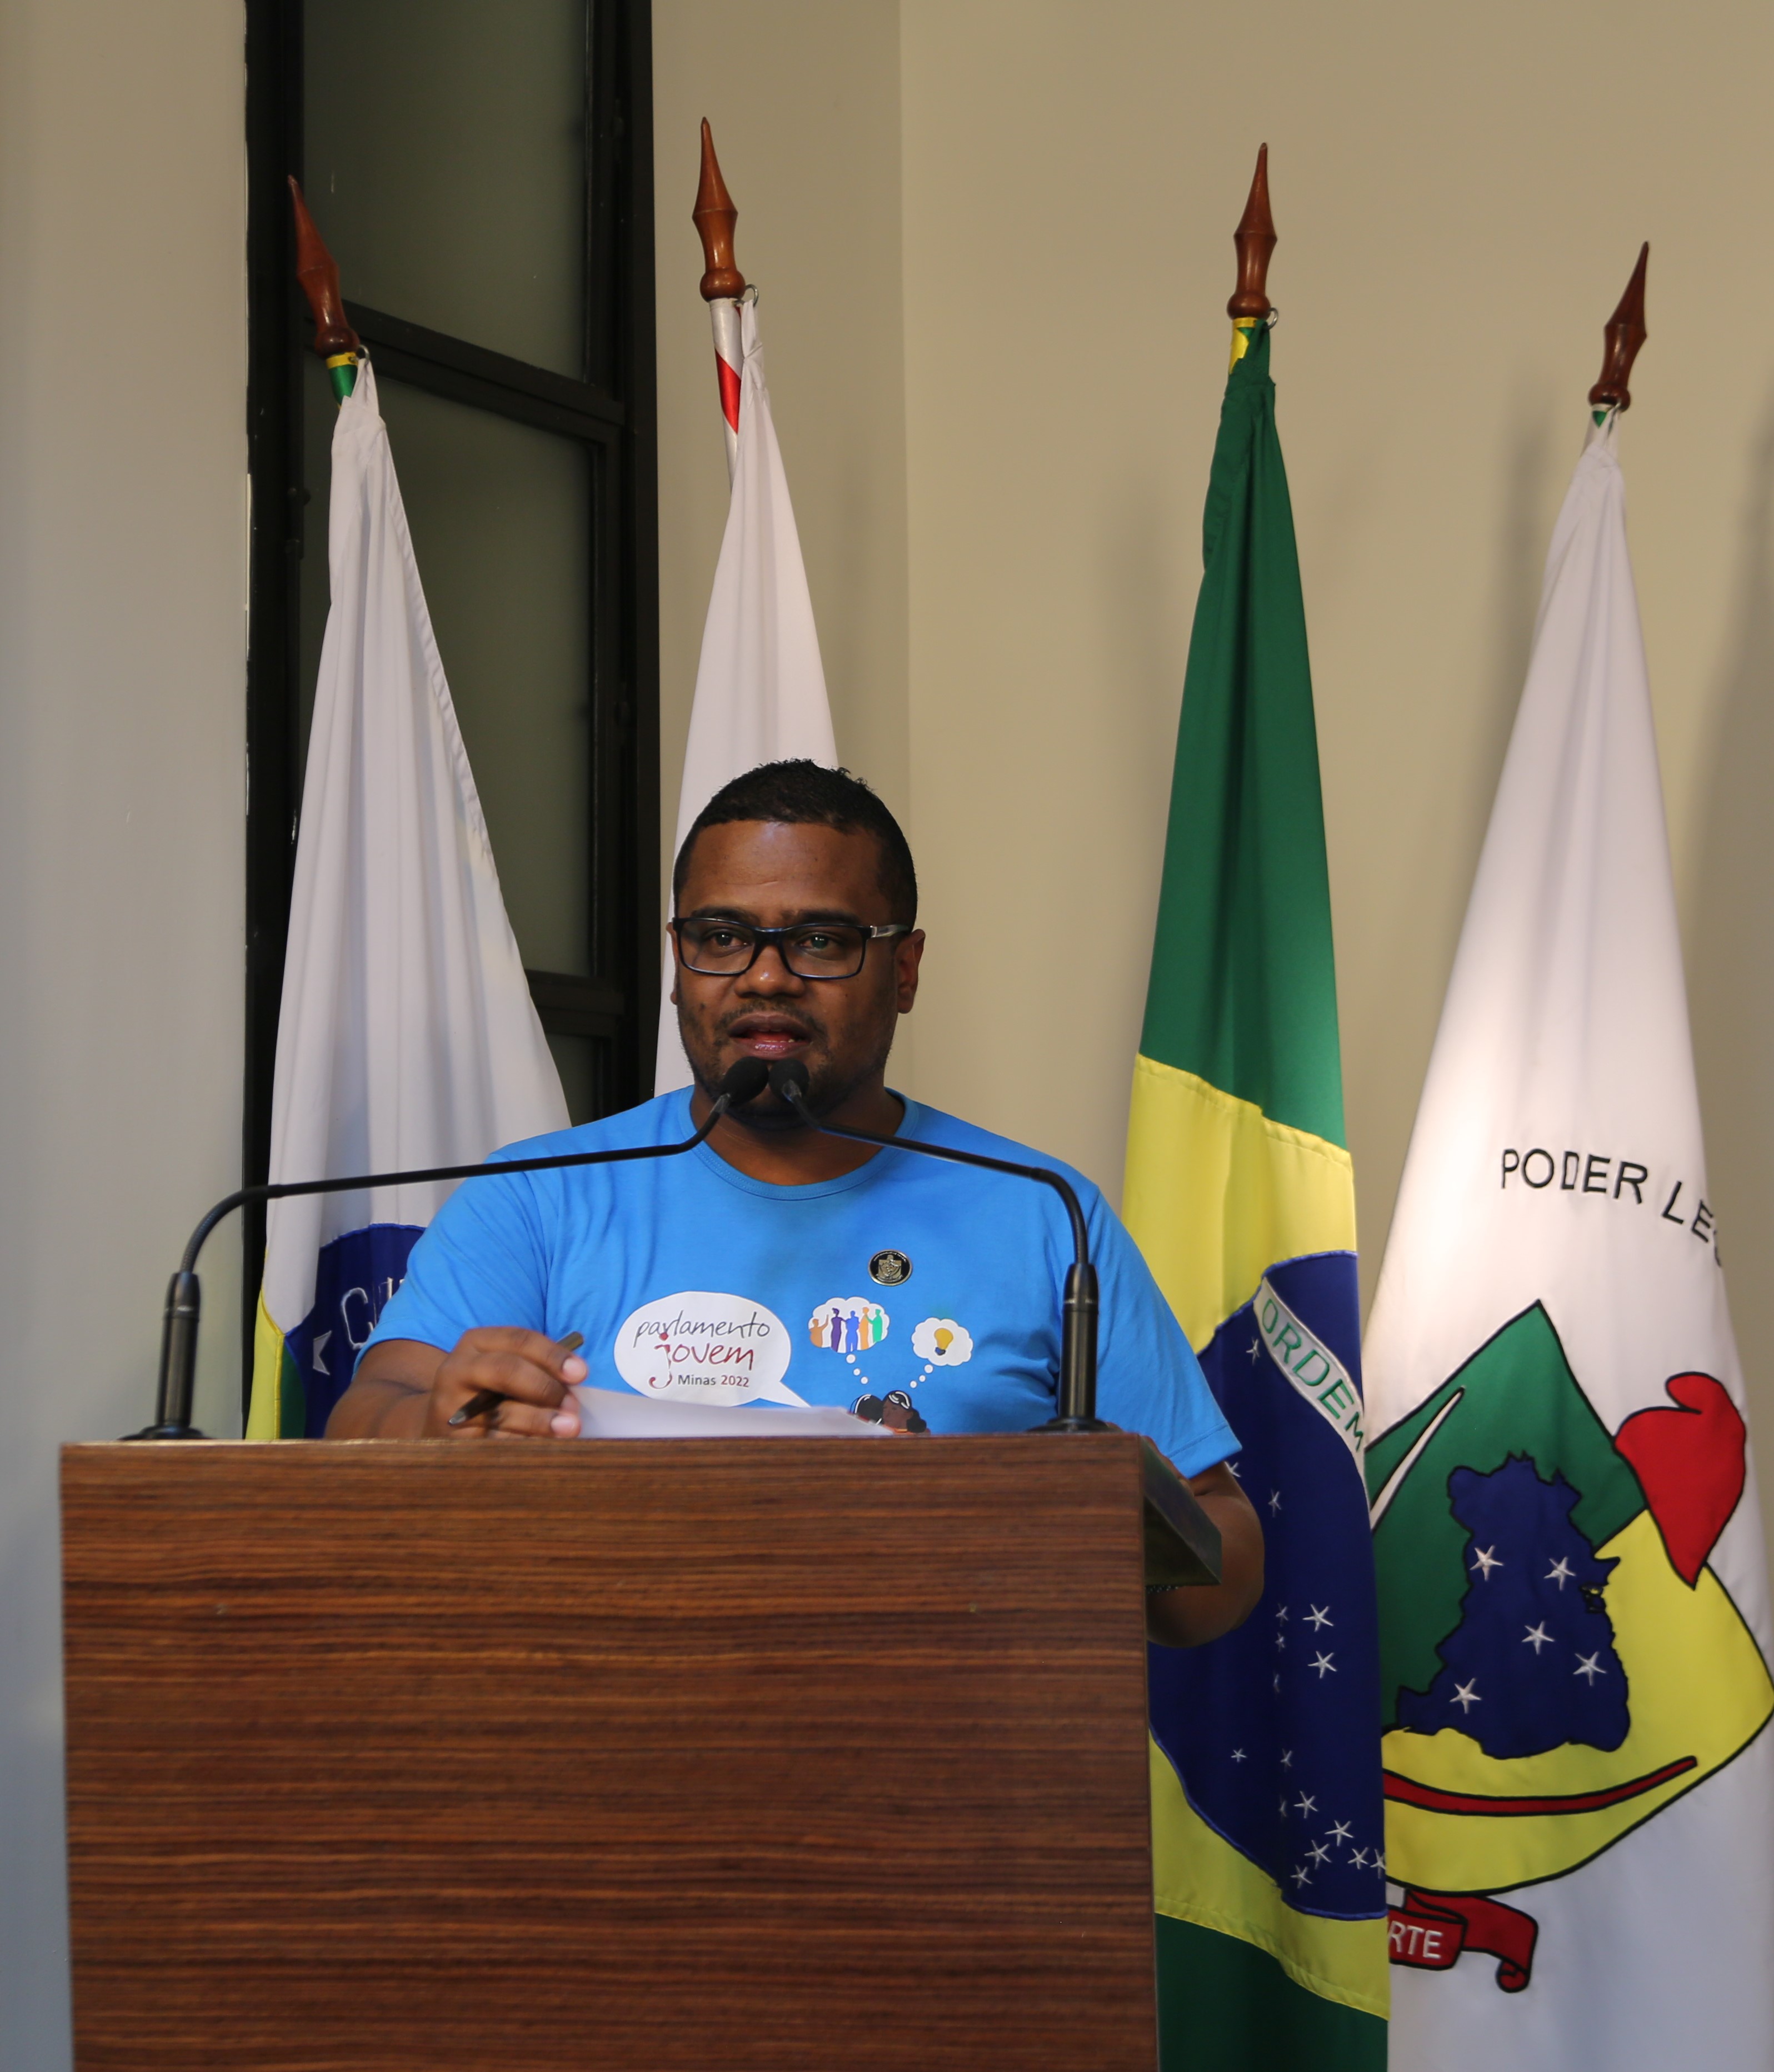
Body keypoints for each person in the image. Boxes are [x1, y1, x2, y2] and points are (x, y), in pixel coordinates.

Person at [329, 761, 1262, 1646]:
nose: (765, 976)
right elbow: (364, 1420)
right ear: (677, 962)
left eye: (820, 940)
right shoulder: (536, 1194)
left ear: (904, 968)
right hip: (605, 1720)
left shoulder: (1042, 1211)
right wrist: (439, 1423)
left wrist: (1114, 1505)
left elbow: (1223, 1553)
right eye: (720, 936)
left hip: (952, 1734)